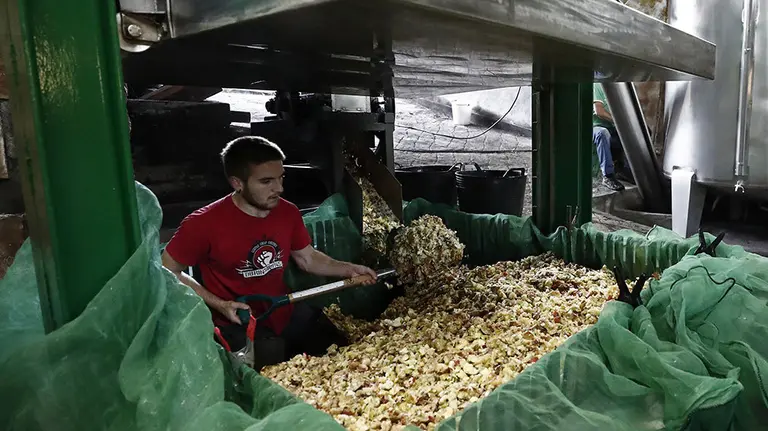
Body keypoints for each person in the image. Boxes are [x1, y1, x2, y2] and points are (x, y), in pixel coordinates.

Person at [161, 135, 377, 369]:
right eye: (266, 181)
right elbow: (167, 270)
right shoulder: (202, 224)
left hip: (282, 307)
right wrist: (221, 304)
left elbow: (307, 258)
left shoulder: (288, 213)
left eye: (281, 178)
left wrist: (349, 269)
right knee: (273, 370)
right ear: (237, 183)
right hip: (237, 320)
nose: (279, 188)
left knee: (345, 353)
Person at [593, 83, 626, 191]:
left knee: (634, 134)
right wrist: (619, 122)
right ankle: (608, 176)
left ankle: (622, 170)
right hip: (594, 127)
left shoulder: (617, 89)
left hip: (610, 127)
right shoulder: (597, 85)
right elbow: (600, 112)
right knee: (602, 133)